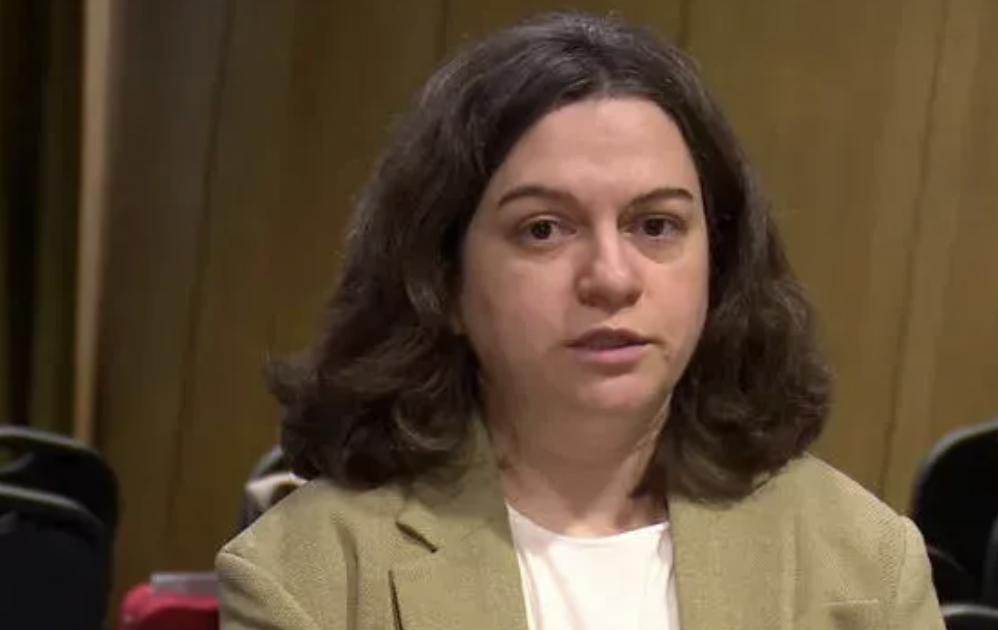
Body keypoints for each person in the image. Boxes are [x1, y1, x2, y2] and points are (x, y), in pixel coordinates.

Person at [216, 10, 944, 630]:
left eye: (656, 225)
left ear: (719, 263)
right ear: (441, 277)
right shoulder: (306, 579)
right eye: (543, 229)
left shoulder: (863, 563)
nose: (612, 278)